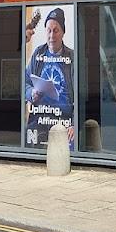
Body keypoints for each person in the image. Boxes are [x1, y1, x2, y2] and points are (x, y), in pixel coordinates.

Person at [25, 8, 74, 148]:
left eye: (56, 30)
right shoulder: (38, 54)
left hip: (64, 119)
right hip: (40, 117)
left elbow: (80, 96)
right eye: (49, 30)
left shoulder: (72, 58)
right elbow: (25, 82)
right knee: (29, 141)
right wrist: (31, 93)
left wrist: (75, 123)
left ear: (63, 32)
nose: (52, 35)